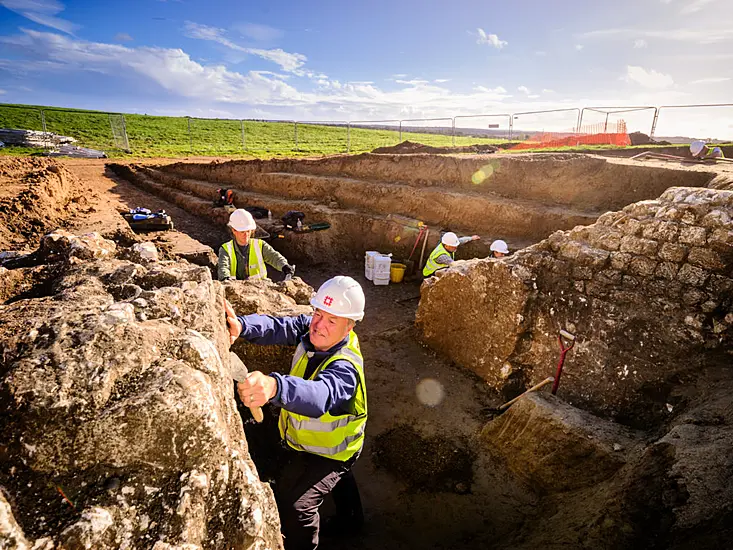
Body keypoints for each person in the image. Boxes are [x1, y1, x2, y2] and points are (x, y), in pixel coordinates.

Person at [225, 276, 367, 550]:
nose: (318, 325)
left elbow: (320, 396)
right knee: (342, 480)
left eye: (331, 321)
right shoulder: (314, 330)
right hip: (323, 443)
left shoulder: (346, 369)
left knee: (296, 506)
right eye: (318, 313)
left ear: (349, 327)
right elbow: (280, 326)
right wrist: (242, 325)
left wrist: (274, 385)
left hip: (332, 452)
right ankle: (352, 522)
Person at [218, 208, 295, 281]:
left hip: (260, 289)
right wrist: (225, 278)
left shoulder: (260, 245)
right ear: (234, 230)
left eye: (248, 231)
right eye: (242, 232)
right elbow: (223, 267)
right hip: (237, 291)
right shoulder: (226, 249)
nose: (246, 235)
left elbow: (273, 256)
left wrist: (284, 266)